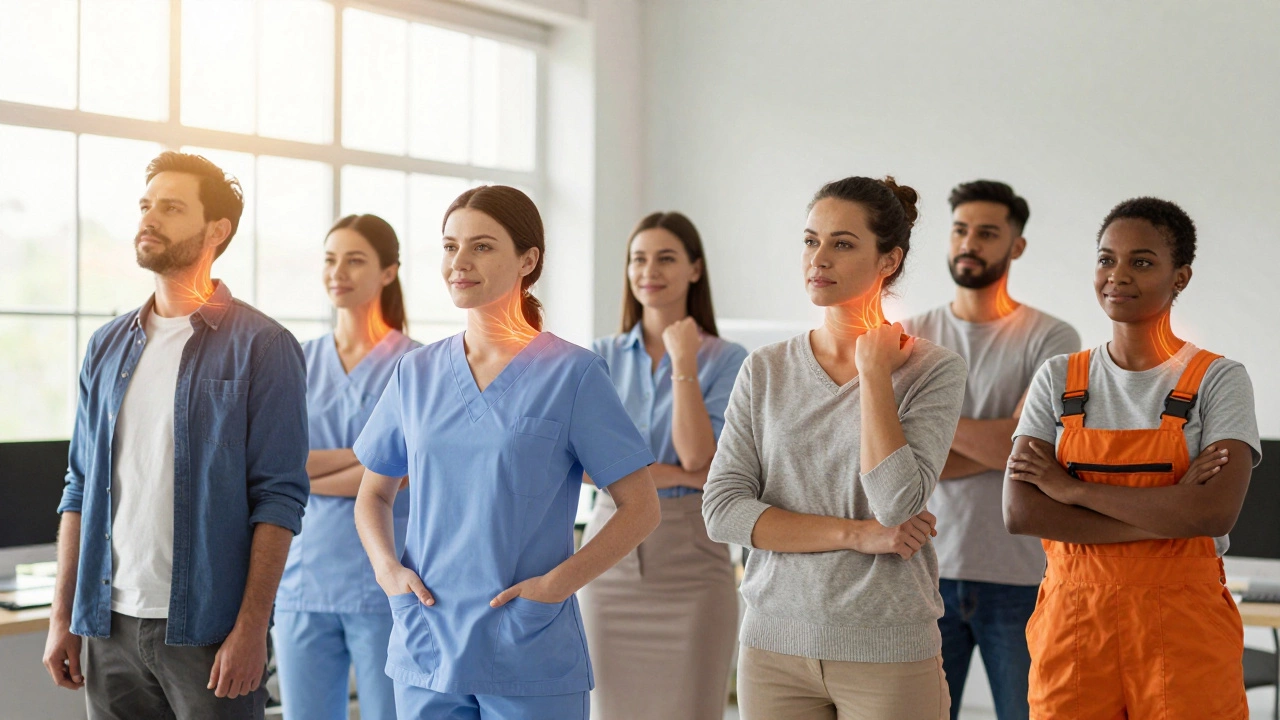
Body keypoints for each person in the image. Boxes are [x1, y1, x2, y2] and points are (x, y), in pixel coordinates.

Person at [351, 185, 661, 719]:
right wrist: (388, 572)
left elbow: (641, 507)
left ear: (527, 260)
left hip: (526, 644)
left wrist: (556, 586)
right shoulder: (415, 373)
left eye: (482, 246)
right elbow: (373, 495)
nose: (460, 262)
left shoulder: (572, 374)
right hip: (426, 640)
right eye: (450, 246)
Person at [42, 151, 310, 719]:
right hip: (108, 625)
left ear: (217, 230)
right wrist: (61, 616)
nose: (149, 218)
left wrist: (251, 629)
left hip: (210, 632)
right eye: (146, 205)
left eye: (171, 208)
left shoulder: (264, 346)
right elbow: (79, 487)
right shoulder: (106, 347)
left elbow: (279, 498)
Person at [703, 176, 967, 720]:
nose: (818, 258)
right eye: (810, 240)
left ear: (888, 260)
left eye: (842, 244)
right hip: (773, 650)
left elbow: (896, 502)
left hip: (888, 648)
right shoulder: (765, 369)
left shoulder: (933, 370)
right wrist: (858, 535)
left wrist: (874, 374)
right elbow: (722, 511)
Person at [1005, 197, 1261, 719]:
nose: (1117, 275)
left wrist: (1072, 490)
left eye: (1141, 261)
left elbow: (1213, 513)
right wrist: (1170, 513)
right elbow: (1023, 512)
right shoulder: (1058, 378)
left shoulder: (1218, 380)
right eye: (1106, 259)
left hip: (1185, 630)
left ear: (1180, 277)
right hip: (1073, 628)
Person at [902, 180, 1079, 720]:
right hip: (923, 573)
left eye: (986, 233)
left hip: (1020, 577)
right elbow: (900, 460)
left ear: (1015, 246)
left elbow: (1026, 447)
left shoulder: (1052, 339)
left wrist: (930, 422)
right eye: (960, 229)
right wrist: (1005, 444)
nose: (969, 243)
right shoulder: (908, 336)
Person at [582, 211, 747, 720]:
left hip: (693, 563)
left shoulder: (729, 359)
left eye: (666, 258)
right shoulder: (599, 357)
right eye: (638, 259)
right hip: (608, 561)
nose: (649, 270)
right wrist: (683, 477)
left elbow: (698, 454)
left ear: (695, 269)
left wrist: (683, 361)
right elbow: (583, 464)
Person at [272, 214, 420, 720]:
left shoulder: (418, 366)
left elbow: (412, 469)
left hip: (387, 580)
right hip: (302, 581)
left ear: (388, 271)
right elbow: (275, 462)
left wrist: (305, 477)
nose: (338, 272)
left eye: (355, 260)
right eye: (331, 259)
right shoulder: (295, 360)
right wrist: (372, 461)